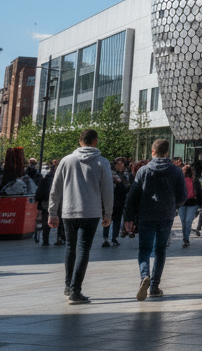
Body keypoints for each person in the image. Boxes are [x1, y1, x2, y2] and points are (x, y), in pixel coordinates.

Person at [48, 129, 114, 304]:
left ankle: (68, 285)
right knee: (83, 249)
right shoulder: (102, 162)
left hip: (69, 210)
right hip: (91, 212)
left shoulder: (66, 160)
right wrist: (108, 213)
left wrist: (52, 212)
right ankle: (76, 290)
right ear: (95, 142)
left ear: (80, 141)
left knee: (70, 247)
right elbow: (108, 190)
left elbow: (55, 188)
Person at [123, 138, 186, 301]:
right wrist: (174, 205)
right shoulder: (176, 171)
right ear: (167, 153)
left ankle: (145, 276)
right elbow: (183, 195)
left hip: (146, 215)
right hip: (166, 215)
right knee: (160, 250)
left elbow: (132, 196)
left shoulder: (143, 171)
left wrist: (128, 217)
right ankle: (155, 286)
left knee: (144, 249)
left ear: (152, 152)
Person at [101, 157, 131, 247]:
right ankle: (105, 238)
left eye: (122, 164)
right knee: (107, 219)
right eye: (118, 164)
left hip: (120, 201)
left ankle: (114, 238)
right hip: (109, 200)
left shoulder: (127, 175)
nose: (120, 166)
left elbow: (129, 186)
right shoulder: (109, 174)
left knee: (117, 220)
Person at [177, 165, 201, 247]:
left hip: (189, 203)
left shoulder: (193, 181)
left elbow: (199, 192)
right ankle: (185, 238)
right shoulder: (181, 181)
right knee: (186, 221)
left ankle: (186, 239)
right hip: (187, 203)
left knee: (186, 221)